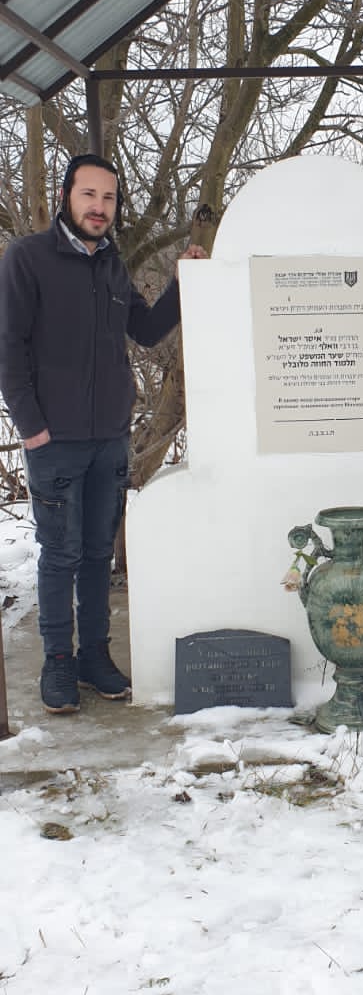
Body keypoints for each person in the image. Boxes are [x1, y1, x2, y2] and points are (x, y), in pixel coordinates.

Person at [0, 153, 206, 715]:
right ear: (67, 195)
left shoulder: (111, 264)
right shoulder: (28, 258)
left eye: (109, 198)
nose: (99, 207)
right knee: (59, 555)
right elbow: (9, 347)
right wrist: (32, 427)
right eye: (89, 194)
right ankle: (58, 665)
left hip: (109, 437)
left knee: (96, 556)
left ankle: (94, 657)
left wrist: (180, 285)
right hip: (54, 440)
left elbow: (144, 330)